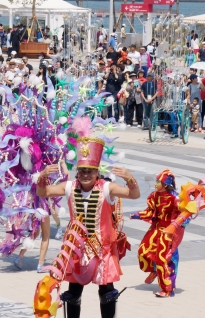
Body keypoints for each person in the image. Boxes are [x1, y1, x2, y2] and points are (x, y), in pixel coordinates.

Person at [36, 130, 140, 318]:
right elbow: (43, 193)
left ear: (97, 172)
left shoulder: (107, 188)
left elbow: (134, 195)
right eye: (81, 171)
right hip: (76, 248)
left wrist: (129, 178)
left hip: (103, 249)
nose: (85, 175)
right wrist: (42, 177)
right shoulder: (69, 186)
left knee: (107, 293)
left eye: (89, 171)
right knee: (73, 293)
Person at [130, 169, 181, 297]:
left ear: (166, 184)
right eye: (156, 181)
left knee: (162, 259)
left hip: (168, 232)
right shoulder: (154, 196)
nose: (155, 184)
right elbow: (149, 212)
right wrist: (137, 215)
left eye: (158, 181)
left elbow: (183, 216)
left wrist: (174, 227)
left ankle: (167, 289)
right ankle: (154, 270)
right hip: (155, 229)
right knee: (143, 252)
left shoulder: (175, 199)